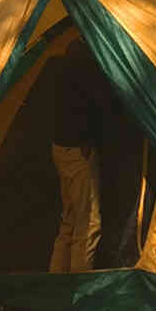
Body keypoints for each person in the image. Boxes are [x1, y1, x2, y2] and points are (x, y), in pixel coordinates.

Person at [49, 39, 111, 273]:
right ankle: (78, 285)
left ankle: (55, 282)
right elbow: (92, 109)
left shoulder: (61, 71)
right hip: (78, 151)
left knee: (70, 219)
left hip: (61, 148)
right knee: (88, 223)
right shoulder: (83, 72)